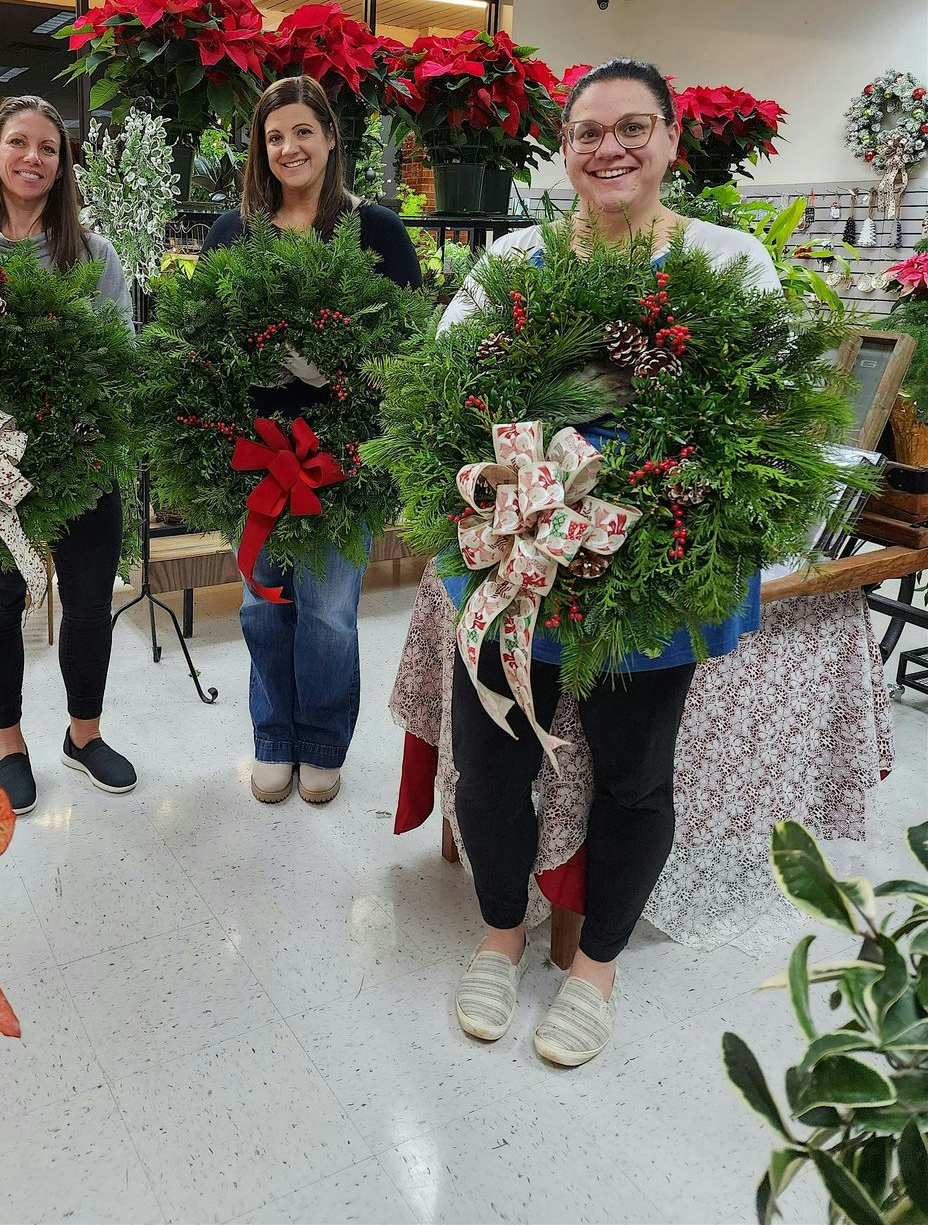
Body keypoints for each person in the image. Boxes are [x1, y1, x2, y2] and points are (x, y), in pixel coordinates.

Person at [438, 58, 782, 1066]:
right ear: (565, 149)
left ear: (674, 141)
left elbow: (761, 422)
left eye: (635, 127)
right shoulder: (511, 260)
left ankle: (596, 964)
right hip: (516, 569)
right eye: (589, 131)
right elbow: (444, 392)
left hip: (655, 583)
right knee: (494, 768)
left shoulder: (728, 262)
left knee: (633, 779)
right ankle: (500, 935)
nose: (611, 147)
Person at [0, 94, 136, 817]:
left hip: (82, 456)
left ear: (64, 163)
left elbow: (117, 359)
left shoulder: (92, 255)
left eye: (48, 147)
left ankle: (84, 734)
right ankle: (9, 745)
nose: (32, 158)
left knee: (90, 600)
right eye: (19, 143)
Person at [203, 74, 422, 806]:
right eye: (274, 137)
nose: (289, 147)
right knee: (264, 603)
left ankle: (323, 742)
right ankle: (274, 738)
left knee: (328, 607)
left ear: (331, 139)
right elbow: (203, 343)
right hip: (258, 455)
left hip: (342, 460)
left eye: (303, 131)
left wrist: (344, 373)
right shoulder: (233, 233)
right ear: (258, 152)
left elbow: (406, 347)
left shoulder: (376, 230)